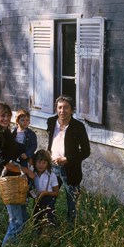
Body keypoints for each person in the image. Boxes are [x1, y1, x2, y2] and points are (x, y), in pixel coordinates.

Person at [0, 102, 34, 247]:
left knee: (23, 218)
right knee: (16, 222)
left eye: (8, 116)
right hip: (10, 182)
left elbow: (15, 149)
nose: (6, 118)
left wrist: (31, 153)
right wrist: (27, 171)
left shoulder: (6, 132)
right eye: (2, 115)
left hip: (18, 181)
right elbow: (5, 163)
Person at [47, 95, 90, 223]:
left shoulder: (78, 126)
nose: (62, 111)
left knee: (72, 202)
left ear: (72, 110)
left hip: (70, 169)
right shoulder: (51, 121)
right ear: (56, 109)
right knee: (48, 199)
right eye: (60, 107)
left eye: (66, 108)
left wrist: (67, 159)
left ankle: (72, 230)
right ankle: (50, 224)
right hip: (53, 167)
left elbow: (86, 151)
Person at [30, 149, 59, 229]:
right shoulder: (32, 173)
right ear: (35, 162)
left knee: (50, 219)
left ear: (47, 164)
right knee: (36, 220)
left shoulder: (51, 175)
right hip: (37, 199)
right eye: (39, 162)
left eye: (44, 163)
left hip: (48, 200)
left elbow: (56, 192)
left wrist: (46, 193)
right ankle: (37, 236)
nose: (41, 165)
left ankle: (54, 235)